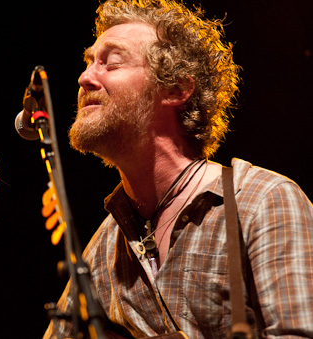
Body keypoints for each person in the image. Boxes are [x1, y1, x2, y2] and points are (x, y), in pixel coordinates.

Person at [44, 0, 313, 338]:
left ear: (176, 89)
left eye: (111, 62)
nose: (85, 78)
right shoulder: (103, 248)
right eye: (88, 63)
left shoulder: (263, 202)